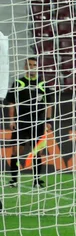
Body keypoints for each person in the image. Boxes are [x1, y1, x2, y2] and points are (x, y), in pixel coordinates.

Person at [5, 57, 54, 188]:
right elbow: (12, 103)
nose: (32, 67)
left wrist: (48, 121)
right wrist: (11, 120)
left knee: (37, 151)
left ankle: (36, 180)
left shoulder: (42, 84)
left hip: (37, 121)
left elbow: (49, 104)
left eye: (34, 65)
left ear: (37, 67)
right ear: (25, 67)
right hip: (21, 121)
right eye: (30, 65)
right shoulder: (18, 83)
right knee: (16, 150)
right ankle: (14, 180)